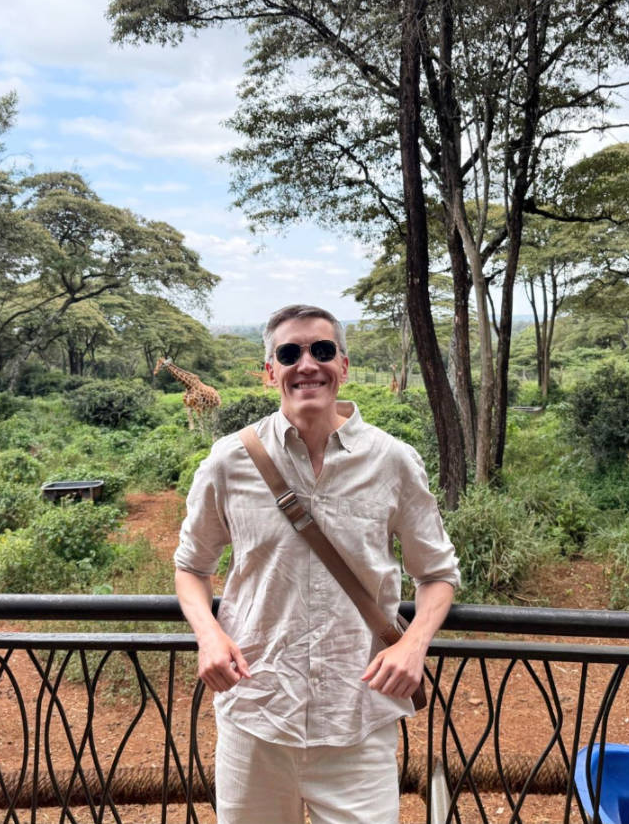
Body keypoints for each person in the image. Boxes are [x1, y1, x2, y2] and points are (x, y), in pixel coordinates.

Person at [174, 303, 459, 824]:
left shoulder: (393, 460)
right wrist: (209, 634)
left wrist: (414, 645)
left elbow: (437, 574)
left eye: (322, 350)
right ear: (270, 372)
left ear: (343, 366)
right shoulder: (227, 461)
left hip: (358, 719)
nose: (307, 364)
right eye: (290, 353)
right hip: (255, 714)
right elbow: (191, 566)